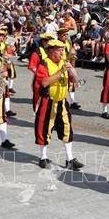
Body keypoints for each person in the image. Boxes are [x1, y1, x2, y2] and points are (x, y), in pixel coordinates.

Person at [34, 39, 83, 170]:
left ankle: (70, 159)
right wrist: (61, 71)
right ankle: (43, 157)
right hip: (48, 101)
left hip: (62, 101)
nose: (62, 53)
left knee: (67, 129)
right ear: (51, 51)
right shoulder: (44, 64)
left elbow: (73, 78)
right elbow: (44, 82)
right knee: (44, 129)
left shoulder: (63, 63)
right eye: (59, 50)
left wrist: (72, 71)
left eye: (62, 50)